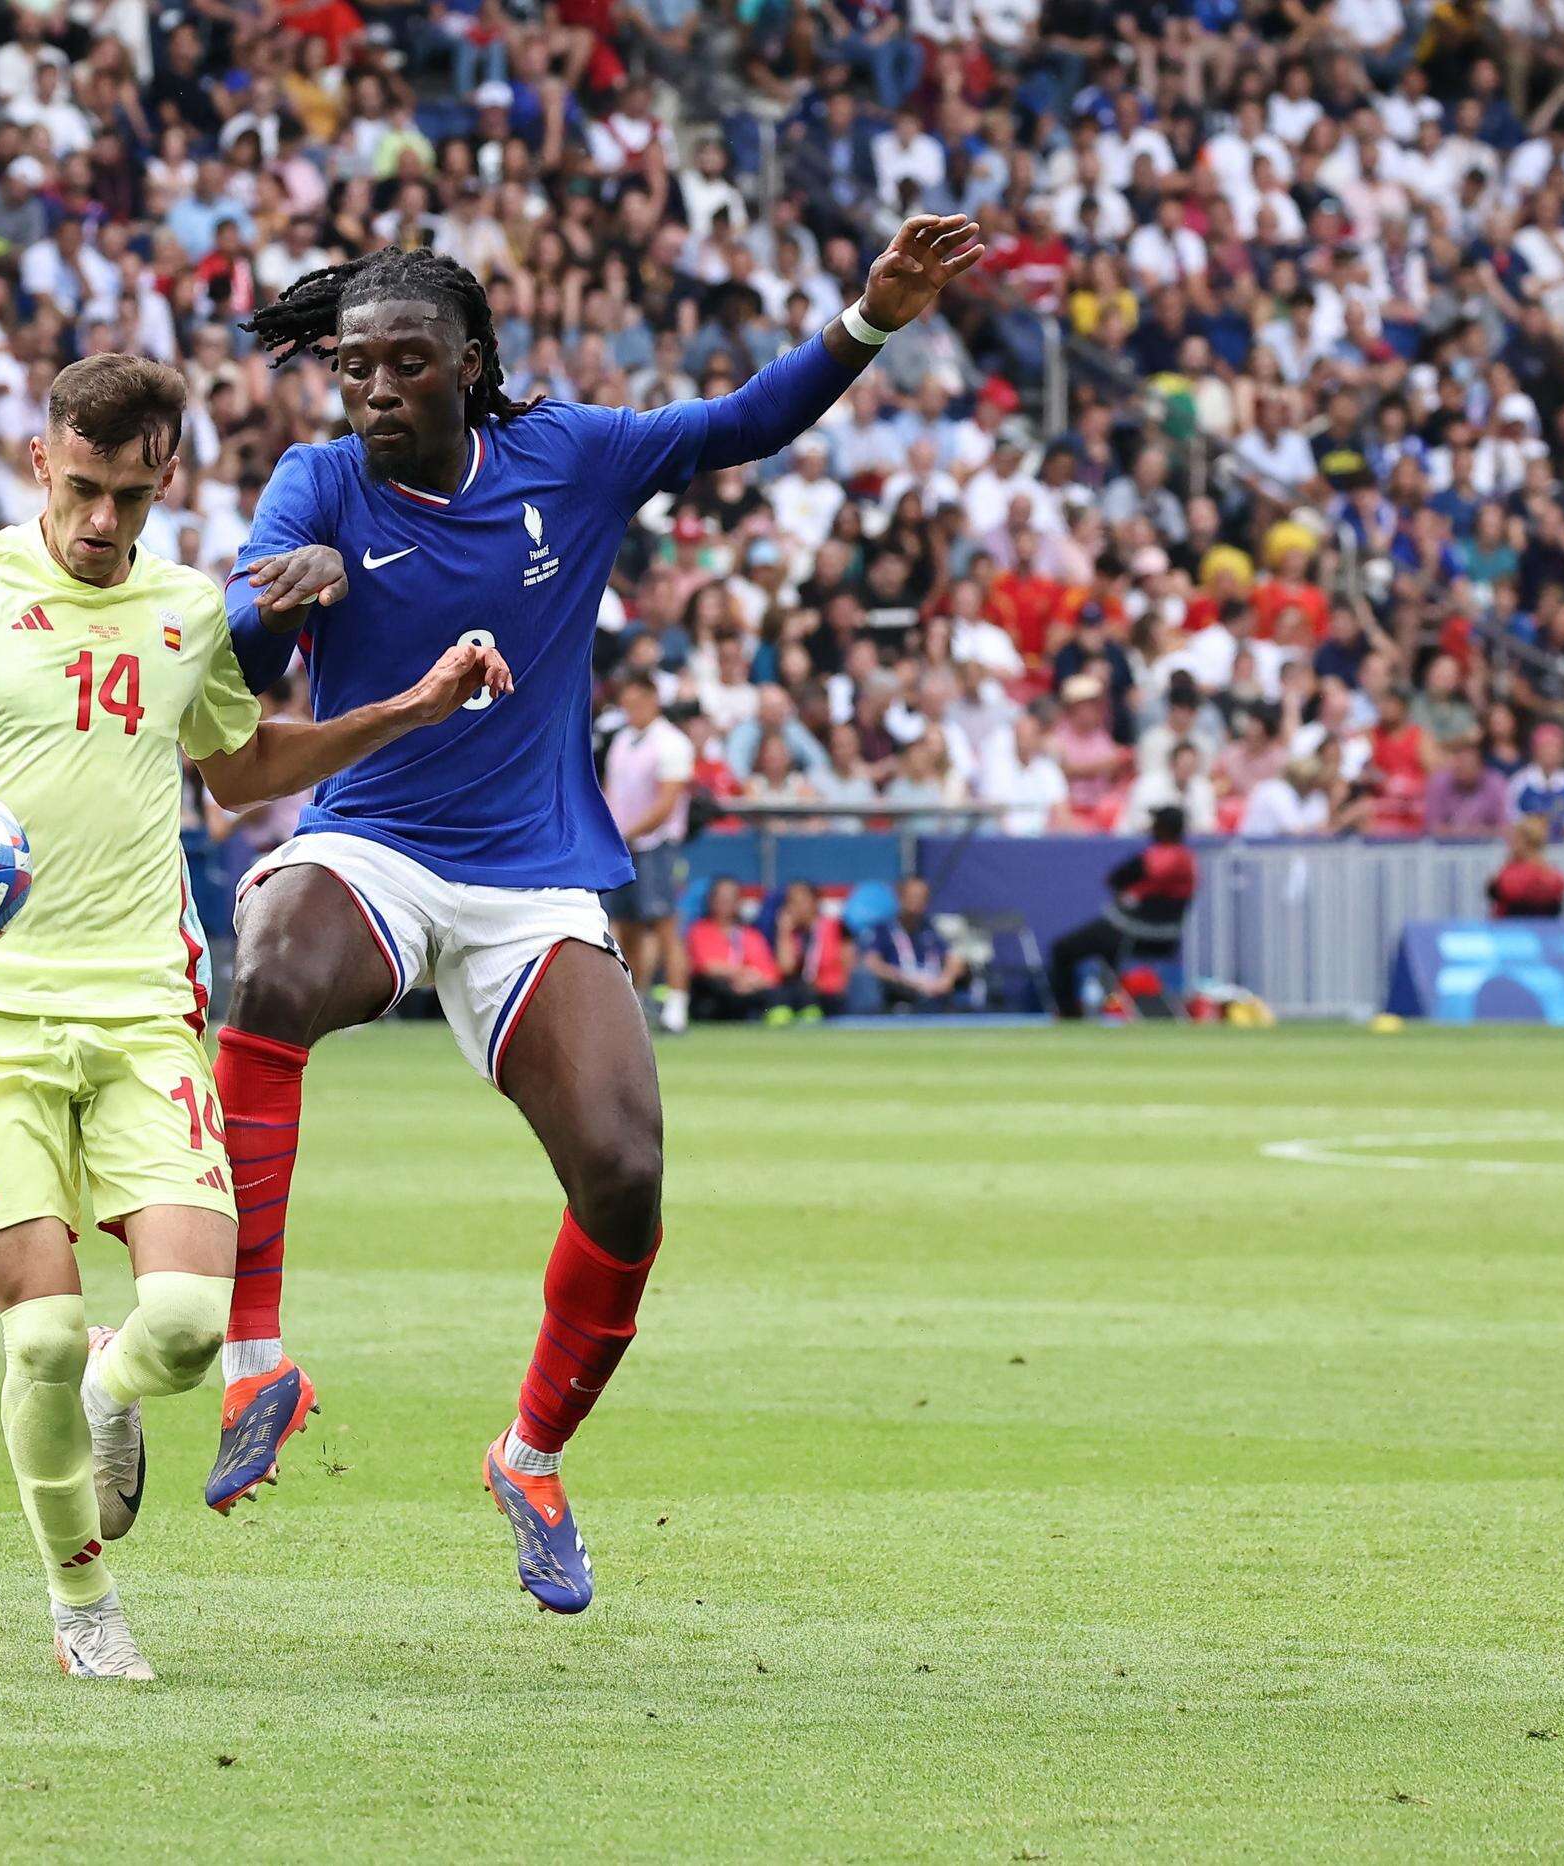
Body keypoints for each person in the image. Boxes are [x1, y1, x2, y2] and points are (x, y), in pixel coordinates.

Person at [209, 216, 985, 1610]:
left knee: (625, 1172)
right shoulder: (315, 480)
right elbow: (241, 631)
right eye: (353, 369)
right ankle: (254, 1352)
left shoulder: (571, 454)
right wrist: (277, 605)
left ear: (472, 365)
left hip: (533, 878)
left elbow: (746, 421)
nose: (375, 390)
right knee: (270, 969)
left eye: (405, 365)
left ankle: (531, 1454)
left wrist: (870, 318)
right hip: (373, 842)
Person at [0, 354, 506, 1680]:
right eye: (81, 487)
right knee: (32, 1326)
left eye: (128, 496)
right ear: (42, 461)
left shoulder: (188, 608)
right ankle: (84, 1603)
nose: (101, 521)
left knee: (191, 1325)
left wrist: (408, 708)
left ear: (164, 481)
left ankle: (110, 1389)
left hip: (145, 1005)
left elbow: (239, 771)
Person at [599, 672, 695, 1033]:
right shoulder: (622, 740)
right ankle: (636, 1001)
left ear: (654, 701)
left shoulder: (673, 743)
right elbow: (610, 792)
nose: (631, 710)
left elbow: (667, 804)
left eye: (637, 703)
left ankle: (676, 1006)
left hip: (658, 847)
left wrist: (626, 833)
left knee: (666, 924)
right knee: (629, 926)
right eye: (627, 704)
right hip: (624, 846)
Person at [1047, 806, 1197, 1017]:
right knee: (1098, 952)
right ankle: (1106, 1000)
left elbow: (1120, 876)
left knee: (1061, 949)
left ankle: (1069, 1014)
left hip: (1133, 930)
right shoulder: (1187, 858)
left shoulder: (1166, 856)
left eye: (1156, 824)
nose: (1151, 828)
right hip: (1137, 928)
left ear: (1165, 828)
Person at [684, 875, 787, 1021]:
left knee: (782, 992)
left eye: (729, 898)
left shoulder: (751, 935)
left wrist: (752, 981)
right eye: (720, 898)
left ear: (738, 902)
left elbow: (770, 973)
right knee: (712, 988)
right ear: (711, 901)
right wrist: (741, 974)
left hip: (748, 990)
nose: (724, 903)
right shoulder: (699, 930)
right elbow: (706, 966)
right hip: (714, 991)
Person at [860, 874, 967, 1012]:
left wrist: (946, 980)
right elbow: (872, 963)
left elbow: (953, 958)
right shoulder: (884, 930)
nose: (918, 902)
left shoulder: (929, 929)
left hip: (935, 995)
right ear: (901, 897)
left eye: (923, 898)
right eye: (914, 897)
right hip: (902, 997)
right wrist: (907, 981)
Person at [770, 879, 855, 1018]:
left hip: (828, 993)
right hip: (798, 992)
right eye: (792, 902)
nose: (797, 907)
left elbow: (848, 966)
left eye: (802, 901)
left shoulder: (837, 926)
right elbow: (786, 968)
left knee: (808, 997)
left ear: (815, 902)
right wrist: (784, 933)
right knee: (781, 996)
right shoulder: (789, 933)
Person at [1487, 817, 1564, 920]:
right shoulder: (1556, 877)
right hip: (1546, 932)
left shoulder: (1508, 877)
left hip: (1509, 931)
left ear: (1521, 841)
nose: (1510, 844)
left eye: (1513, 839)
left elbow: (1499, 890)